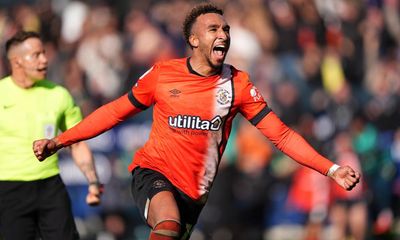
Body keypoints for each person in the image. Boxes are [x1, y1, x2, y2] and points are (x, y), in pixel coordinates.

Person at [33, 4, 361, 240]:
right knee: (168, 223)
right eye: (214, 29)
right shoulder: (162, 75)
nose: (224, 35)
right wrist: (60, 141)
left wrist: (330, 169)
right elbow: (115, 111)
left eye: (226, 29)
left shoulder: (238, 85)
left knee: (175, 228)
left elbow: (282, 136)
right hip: (152, 172)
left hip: (195, 194)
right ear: (193, 40)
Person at [0, 31, 103, 240]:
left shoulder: (59, 95)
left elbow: (77, 143)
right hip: (8, 190)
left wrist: (93, 181)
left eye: (44, 53)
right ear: (17, 61)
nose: (44, 60)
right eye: (36, 55)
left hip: (50, 187)